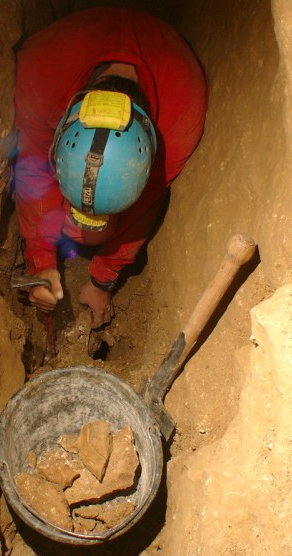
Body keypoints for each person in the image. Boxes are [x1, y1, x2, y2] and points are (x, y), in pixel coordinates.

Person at [13, 7, 208, 328]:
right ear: (59, 130)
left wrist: (102, 281)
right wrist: (41, 260)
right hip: (68, 50)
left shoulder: (181, 118)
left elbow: (145, 208)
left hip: (167, 58)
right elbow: (32, 171)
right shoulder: (39, 78)